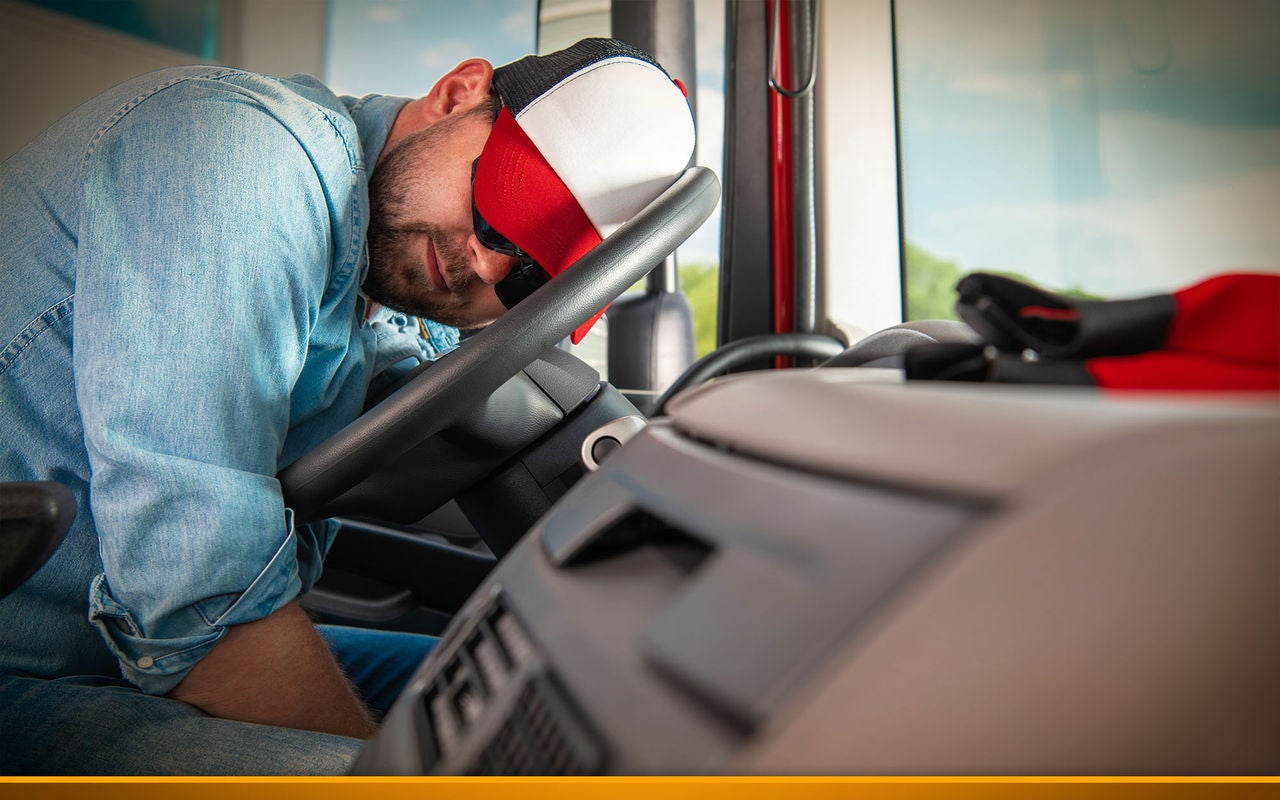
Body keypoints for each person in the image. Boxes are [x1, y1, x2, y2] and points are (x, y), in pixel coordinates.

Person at [0, 37, 695, 775]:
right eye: (496, 210)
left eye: (528, 273)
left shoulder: (391, 270)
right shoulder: (242, 160)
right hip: (40, 660)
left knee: (544, 706)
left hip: (125, 649)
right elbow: (197, 605)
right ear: (458, 92)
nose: (485, 263)